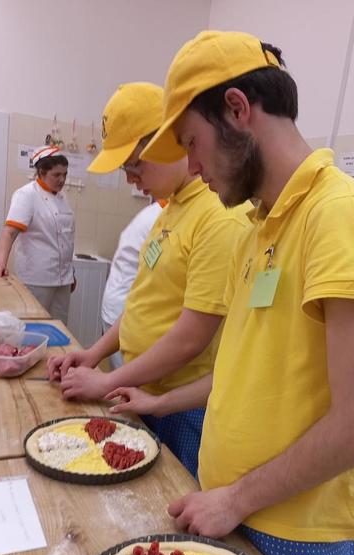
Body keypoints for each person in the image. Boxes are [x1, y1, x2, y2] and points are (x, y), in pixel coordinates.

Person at [110, 31, 354, 555]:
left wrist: (236, 498)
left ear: (238, 109)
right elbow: (240, 371)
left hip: (293, 535)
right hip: (232, 506)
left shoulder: (342, 216)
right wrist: (160, 402)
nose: (192, 166)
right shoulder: (257, 228)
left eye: (192, 142)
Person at [47, 82, 251, 478]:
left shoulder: (218, 217)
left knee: (171, 495)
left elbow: (192, 338)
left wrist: (108, 382)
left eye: (134, 165)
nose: (130, 179)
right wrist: (94, 354)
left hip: (182, 404)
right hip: (145, 388)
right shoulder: (171, 209)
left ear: (169, 141)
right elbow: (143, 303)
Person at [0, 147, 76, 324]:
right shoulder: (27, 195)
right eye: (56, 175)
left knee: (59, 326)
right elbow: (9, 232)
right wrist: (0, 264)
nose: (62, 180)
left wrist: (70, 273)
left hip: (63, 280)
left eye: (65, 174)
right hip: (37, 278)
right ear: (42, 172)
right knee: (33, 325)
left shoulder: (62, 198)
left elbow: (65, 239)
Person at [101, 200, 163, 369]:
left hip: (119, 304)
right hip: (125, 307)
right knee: (126, 375)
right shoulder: (160, 218)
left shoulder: (154, 213)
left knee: (122, 372)